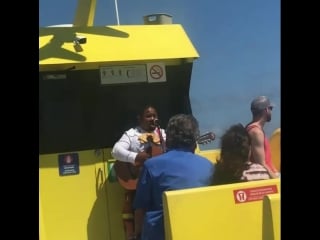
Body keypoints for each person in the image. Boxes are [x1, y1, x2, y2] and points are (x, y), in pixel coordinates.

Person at [132, 114, 215, 240]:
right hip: (199, 232)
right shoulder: (209, 166)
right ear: (194, 140)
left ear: (168, 139)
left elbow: (140, 208)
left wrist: (137, 235)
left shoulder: (151, 166)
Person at [111, 104, 166, 240]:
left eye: (154, 116)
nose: (152, 118)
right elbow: (116, 151)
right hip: (137, 179)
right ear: (139, 118)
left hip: (157, 181)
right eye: (148, 116)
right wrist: (135, 157)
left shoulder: (163, 134)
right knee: (132, 205)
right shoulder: (131, 134)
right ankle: (133, 235)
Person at [245, 96, 279, 178]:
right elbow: (261, 164)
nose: (271, 112)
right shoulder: (256, 132)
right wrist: (276, 180)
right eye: (271, 108)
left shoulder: (250, 127)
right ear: (266, 110)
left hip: (271, 173)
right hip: (267, 177)